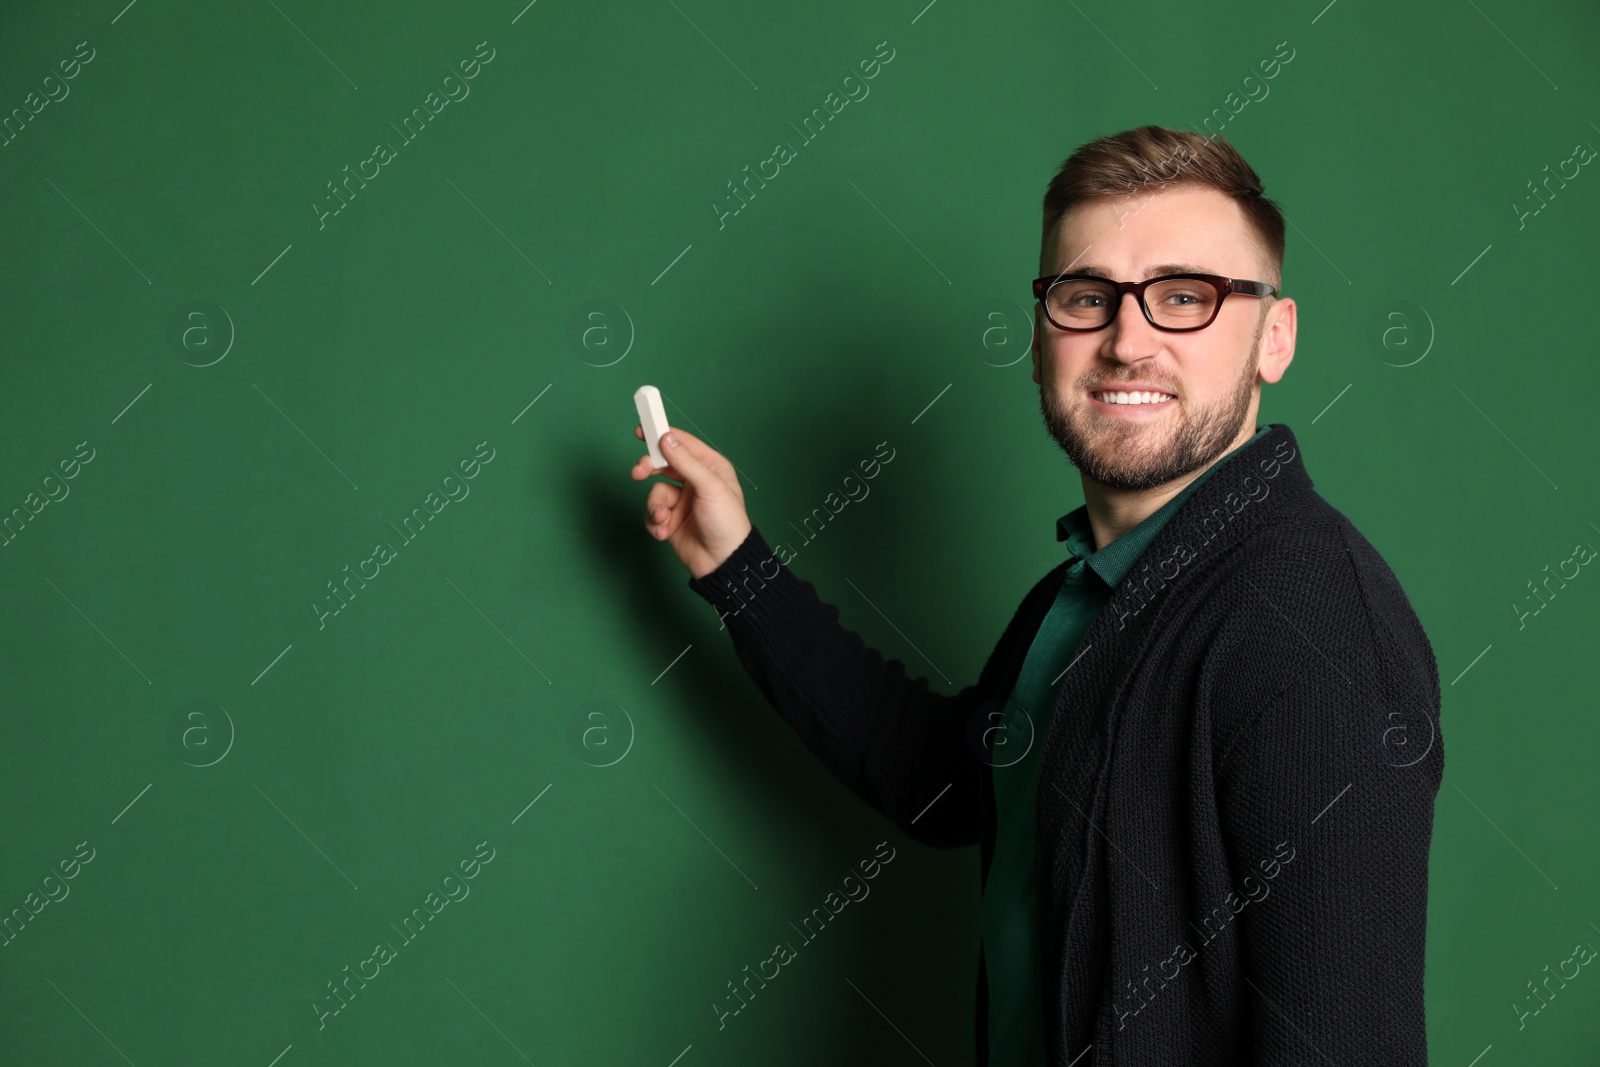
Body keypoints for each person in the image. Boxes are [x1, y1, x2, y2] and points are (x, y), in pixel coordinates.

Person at [629, 125, 1442, 1066]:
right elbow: (941, 783)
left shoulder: (1313, 624)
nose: (1128, 340)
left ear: (1275, 337)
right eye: (1086, 297)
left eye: (1186, 297)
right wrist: (737, 564)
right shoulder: (1087, 592)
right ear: (1040, 334)